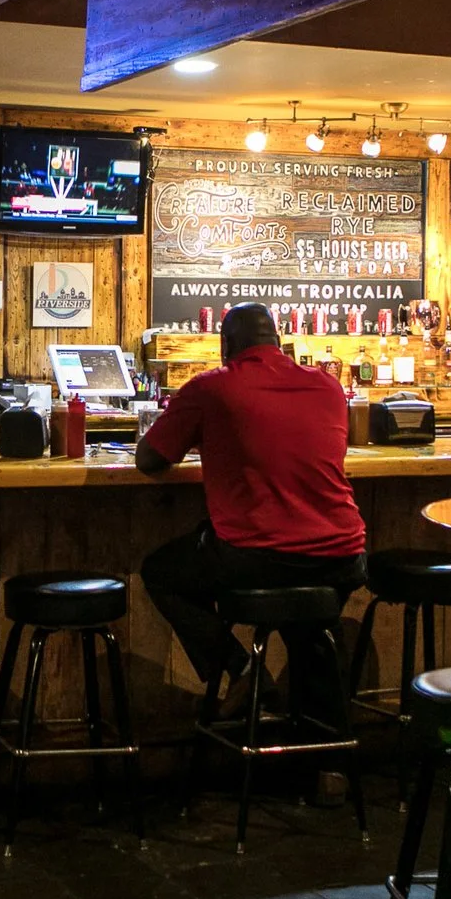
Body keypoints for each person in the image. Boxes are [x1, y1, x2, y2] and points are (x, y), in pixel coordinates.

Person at [135, 301, 369, 727]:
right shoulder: (328, 387)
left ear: (225, 346)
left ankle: (244, 671)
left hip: (257, 557)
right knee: (311, 625)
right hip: (344, 557)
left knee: (161, 572)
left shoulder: (210, 388)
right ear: (279, 342)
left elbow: (148, 459)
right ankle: (326, 763)